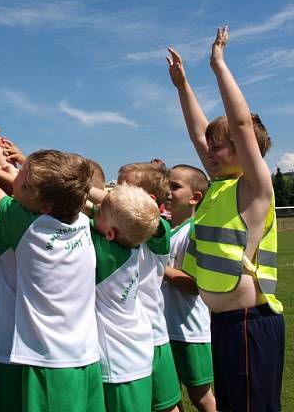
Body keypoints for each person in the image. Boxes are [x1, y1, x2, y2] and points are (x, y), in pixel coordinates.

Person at [168, 27, 284, 412]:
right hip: (225, 324)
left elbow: (242, 125)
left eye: (220, 146)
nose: (210, 151)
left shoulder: (254, 188)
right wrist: (183, 86)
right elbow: (198, 133)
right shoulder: (220, 185)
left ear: (244, 150)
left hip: (251, 323)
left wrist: (218, 66)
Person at [0, 124, 104, 412]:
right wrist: (15, 159)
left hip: (49, 361)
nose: (16, 181)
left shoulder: (30, 227)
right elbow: (59, 185)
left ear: (45, 207)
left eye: (24, 183)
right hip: (87, 356)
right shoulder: (81, 221)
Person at [90, 182, 161, 412]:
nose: (94, 210)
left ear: (110, 233)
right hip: (136, 354)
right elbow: (100, 216)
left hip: (118, 363)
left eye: (99, 210)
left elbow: (71, 209)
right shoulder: (131, 242)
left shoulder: (107, 253)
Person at [115, 162, 180, 412]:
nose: (116, 192)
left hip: (153, 337)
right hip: (127, 338)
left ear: (150, 201)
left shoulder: (158, 229)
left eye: (124, 187)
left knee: (167, 406)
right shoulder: (116, 228)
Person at [161, 165, 216, 412]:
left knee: (201, 396)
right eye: (166, 186)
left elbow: (195, 286)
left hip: (191, 331)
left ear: (195, 197)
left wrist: (160, 269)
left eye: (175, 187)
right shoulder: (167, 230)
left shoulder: (193, 231)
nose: (168, 192)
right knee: (169, 397)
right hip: (165, 330)